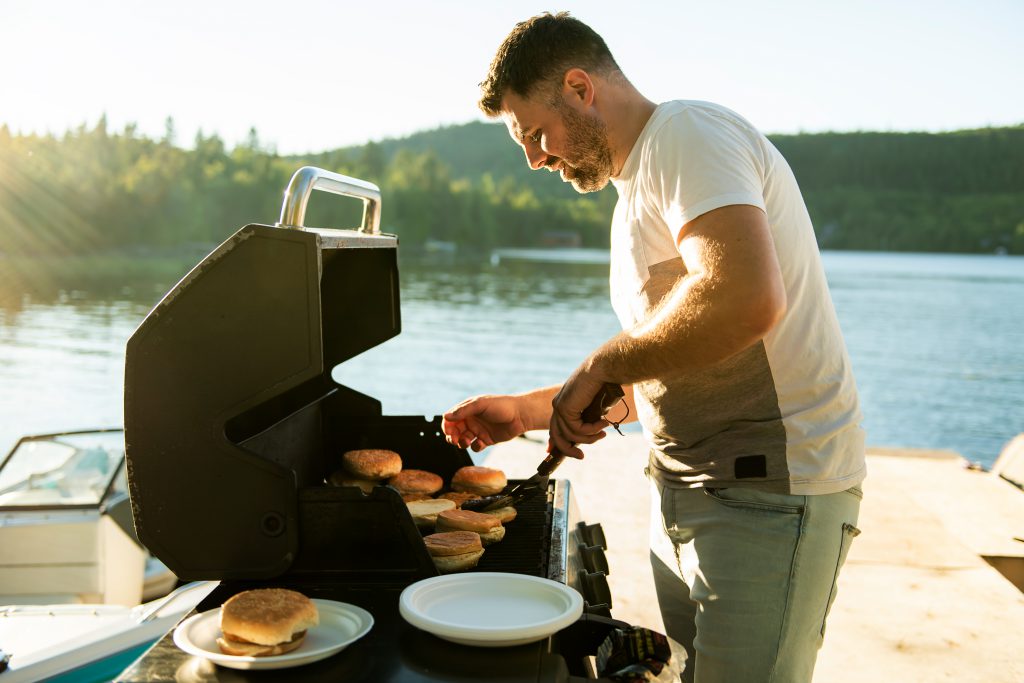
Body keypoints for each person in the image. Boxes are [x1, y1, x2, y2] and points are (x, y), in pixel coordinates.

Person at [441, 11, 865, 683]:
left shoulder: (689, 134)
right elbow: (665, 364)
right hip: (685, 494)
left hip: (769, 496)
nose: (536, 158)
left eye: (535, 134)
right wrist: (528, 411)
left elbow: (747, 296)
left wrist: (602, 361)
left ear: (580, 88)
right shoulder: (634, 191)